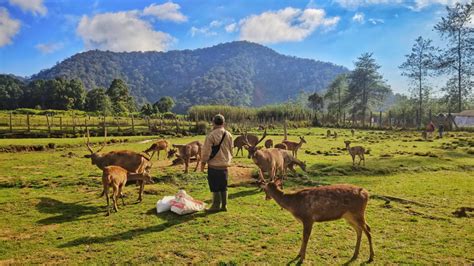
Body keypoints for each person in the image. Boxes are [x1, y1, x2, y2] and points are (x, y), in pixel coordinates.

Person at [201, 114, 233, 212]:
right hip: (224, 166)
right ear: (223, 123)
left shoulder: (211, 135)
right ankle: (224, 206)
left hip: (214, 166)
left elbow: (206, 151)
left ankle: (215, 206)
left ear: (213, 122)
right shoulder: (229, 134)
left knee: (215, 186)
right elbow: (231, 150)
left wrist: (203, 163)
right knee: (223, 186)